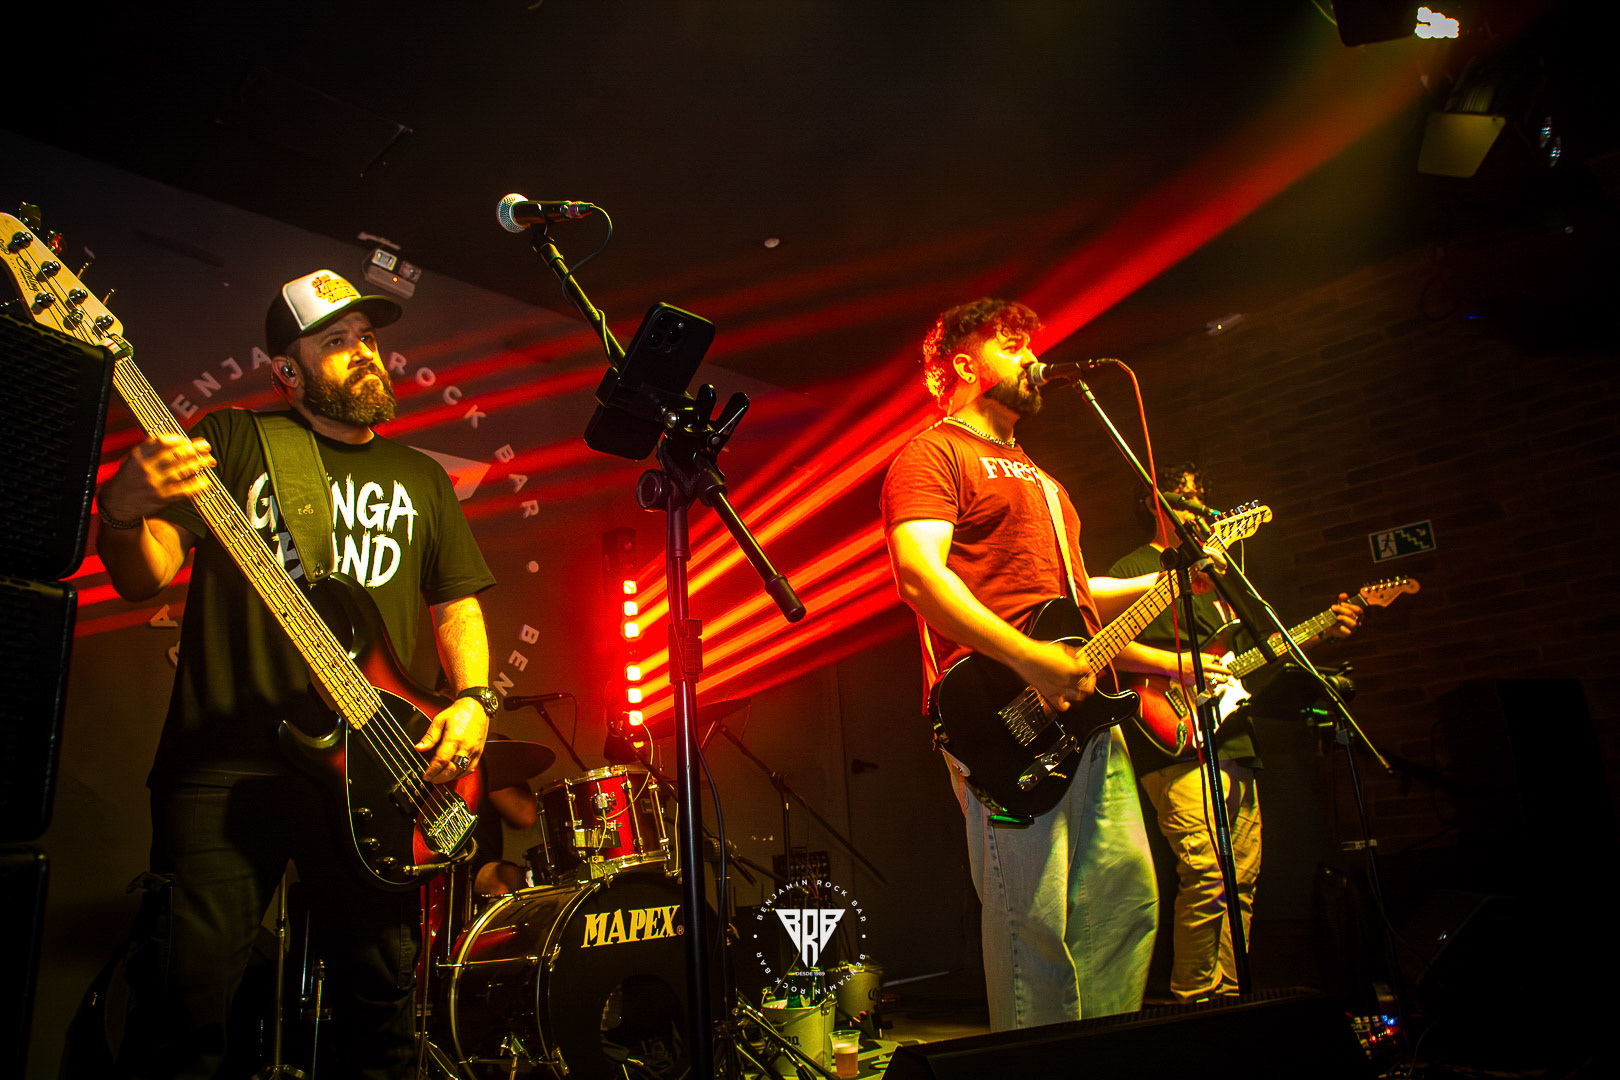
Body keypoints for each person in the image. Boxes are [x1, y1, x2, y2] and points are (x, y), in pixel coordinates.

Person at [95, 269, 499, 1079]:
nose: (363, 352)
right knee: (184, 1014)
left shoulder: (421, 477)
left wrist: (473, 700)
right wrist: (123, 510)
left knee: (383, 1022)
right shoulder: (234, 439)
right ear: (287, 370)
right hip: (228, 771)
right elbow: (147, 573)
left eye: (367, 338)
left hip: (375, 774)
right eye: (336, 342)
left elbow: (456, 603)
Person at [880, 298, 1218, 1030]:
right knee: (1031, 923)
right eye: (1010, 344)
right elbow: (919, 576)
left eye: (1031, 344)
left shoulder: (1043, 478)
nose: (1033, 358)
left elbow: (1075, 593)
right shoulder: (934, 453)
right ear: (962, 364)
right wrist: (1030, 660)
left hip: (1087, 717)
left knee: (1124, 903)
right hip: (1002, 715)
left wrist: (1167, 579)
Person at [1112, 463, 1360, 1002]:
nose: (1196, 502)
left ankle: (1231, 1000)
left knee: (1240, 880)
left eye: (1201, 493)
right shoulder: (1135, 568)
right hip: (1174, 735)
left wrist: (1319, 633)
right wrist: (1177, 666)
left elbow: (1250, 657)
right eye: (1184, 494)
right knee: (1206, 875)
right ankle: (1196, 1004)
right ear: (1154, 502)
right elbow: (1105, 647)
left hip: (1233, 737)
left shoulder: (1221, 577)